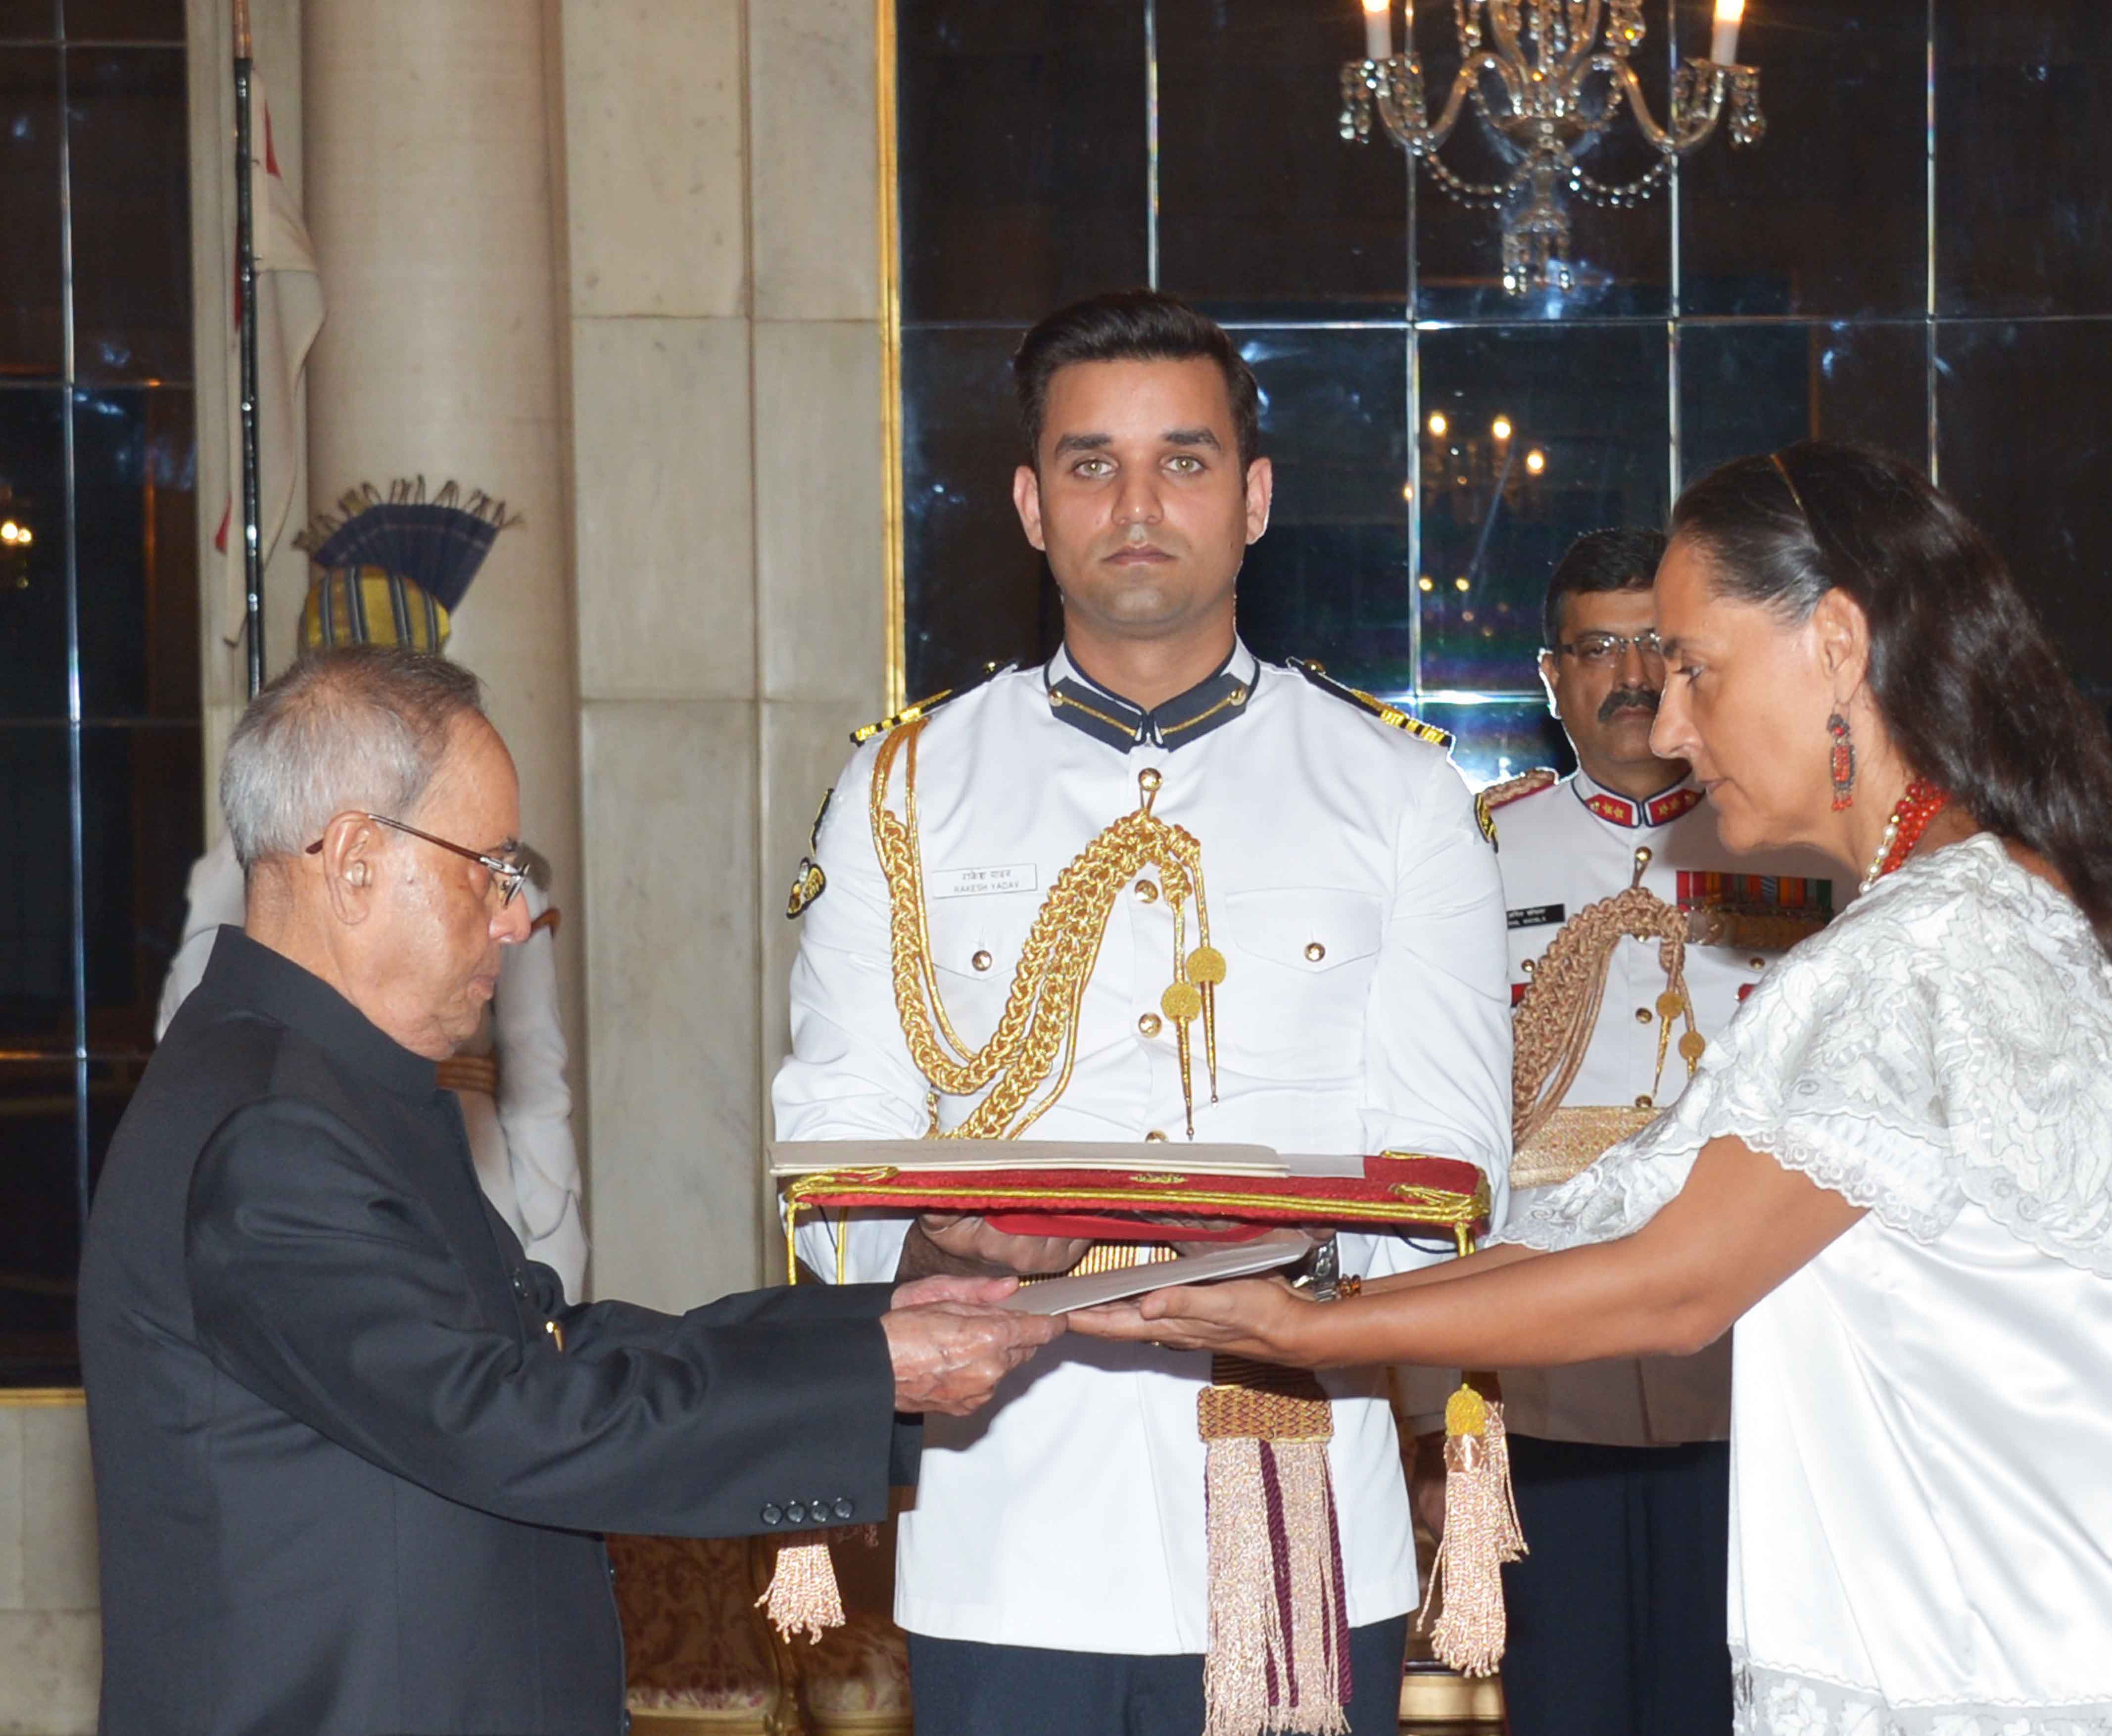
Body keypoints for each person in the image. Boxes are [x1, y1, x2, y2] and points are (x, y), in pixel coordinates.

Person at [1076, 441, 2112, 1735]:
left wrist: (1306, 1333)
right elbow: (1618, 1221)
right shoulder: (2020, 894)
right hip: (2071, 1642)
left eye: (1696, 667)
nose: (1670, 724)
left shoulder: (1923, 949)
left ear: (1836, 643)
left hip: (1995, 1668)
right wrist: (1308, 1269)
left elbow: (1677, 1282)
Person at [79, 647, 1060, 1736]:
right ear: (355, 860)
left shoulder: (322, 1085)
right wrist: (867, 1371)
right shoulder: (272, 1130)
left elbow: (539, 1353)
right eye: (490, 868)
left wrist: (865, 1333)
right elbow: (510, 1420)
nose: (514, 916)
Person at [771, 289, 1510, 1736]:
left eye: (1184, 458)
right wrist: (942, 1239)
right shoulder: (905, 789)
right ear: (1033, 507)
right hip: (1012, 1513)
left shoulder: (1397, 791)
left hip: (1297, 1495)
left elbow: (1451, 1176)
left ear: (1255, 497)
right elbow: (829, 1150)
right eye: (1091, 463)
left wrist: (1252, 1261)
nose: (1139, 500)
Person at [1482, 524, 1846, 1736]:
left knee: (1735, 1700)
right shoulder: (1475, 852)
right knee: (1566, 1702)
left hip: (1752, 1375)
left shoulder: (1795, 850)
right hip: (1549, 1380)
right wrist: (1440, 1412)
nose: (1631, 675)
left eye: (1656, 644)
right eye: (1597, 647)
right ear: (1551, 678)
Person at [157, 478, 589, 1293]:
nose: (508, 919)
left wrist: (554, 1241)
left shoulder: (492, 870)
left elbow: (535, 1073)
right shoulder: (246, 866)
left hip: (473, 1167)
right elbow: (199, 1048)